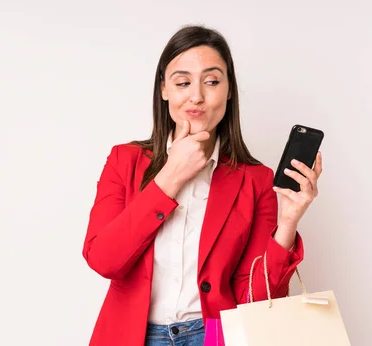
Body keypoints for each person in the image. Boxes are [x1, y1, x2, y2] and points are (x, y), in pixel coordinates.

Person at [82, 24, 323, 346]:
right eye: (183, 82)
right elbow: (104, 260)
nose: (196, 95)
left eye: (211, 81)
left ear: (229, 90)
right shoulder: (124, 161)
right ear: (164, 89)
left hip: (214, 337)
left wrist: (288, 224)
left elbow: (255, 299)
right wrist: (170, 176)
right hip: (133, 336)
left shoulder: (256, 179)